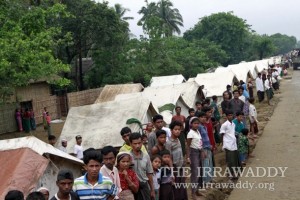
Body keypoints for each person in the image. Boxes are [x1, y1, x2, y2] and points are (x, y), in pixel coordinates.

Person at [129, 132, 155, 200]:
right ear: (131, 144)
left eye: (139, 143)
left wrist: (152, 190)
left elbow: (149, 173)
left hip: (144, 186)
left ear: (142, 143)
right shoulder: (127, 157)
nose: (137, 145)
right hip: (132, 188)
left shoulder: (146, 156)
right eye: (135, 143)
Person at [166, 121, 188, 200]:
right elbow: (169, 159)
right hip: (174, 169)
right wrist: (172, 173)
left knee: (182, 188)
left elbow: (181, 156)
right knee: (176, 190)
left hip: (181, 167)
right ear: (171, 130)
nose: (178, 131)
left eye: (179, 129)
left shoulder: (178, 140)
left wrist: (184, 170)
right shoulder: (168, 143)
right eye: (175, 129)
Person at [219, 111, 240, 180]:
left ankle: (235, 172)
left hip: (233, 143)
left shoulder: (233, 124)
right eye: (229, 115)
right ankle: (230, 174)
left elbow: (233, 133)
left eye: (231, 115)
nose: (230, 116)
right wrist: (223, 144)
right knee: (230, 159)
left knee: (234, 159)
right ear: (226, 116)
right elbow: (222, 134)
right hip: (228, 144)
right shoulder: (224, 125)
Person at [186, 117, 202, 199]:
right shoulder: (190, 133)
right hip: (193, 153)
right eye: (194, 123)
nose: (196, 125)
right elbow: (188, 146)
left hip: (198, 152)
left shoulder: (197, 132)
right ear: (191, 124)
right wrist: (188, 157)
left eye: (197, 123)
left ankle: (197, 190)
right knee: (194, 173)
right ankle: (193, 193)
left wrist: (202, 151)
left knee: (198, 172)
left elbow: (199, 143)